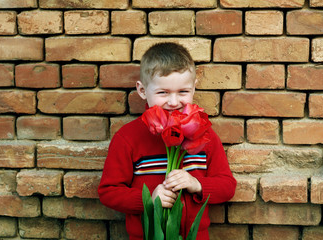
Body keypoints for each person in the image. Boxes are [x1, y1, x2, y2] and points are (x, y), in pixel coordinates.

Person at [98, 42, 236, 240]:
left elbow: (227, 186)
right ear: (143, 90)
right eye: (163, 92)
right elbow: (108, 192)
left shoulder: (204, 133)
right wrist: (148, 200)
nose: (173, 102)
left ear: (194, 88)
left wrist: (196, 184)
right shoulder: (128, 137)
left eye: (183, 92)